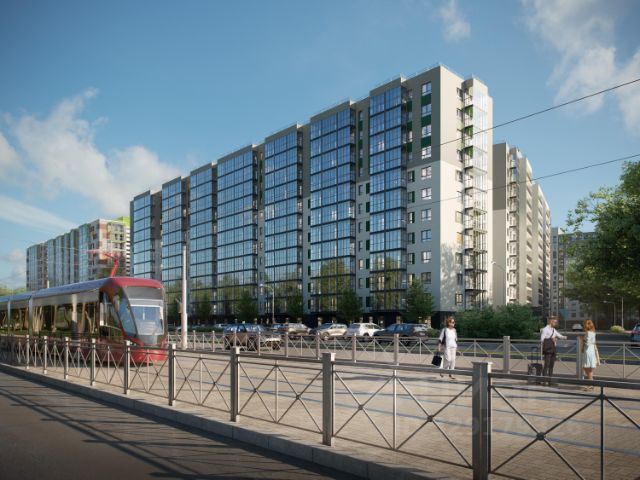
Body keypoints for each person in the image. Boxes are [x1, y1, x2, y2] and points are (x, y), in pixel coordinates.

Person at [540, 316, 567, 385]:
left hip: (553, 349)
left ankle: (550, 381)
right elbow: (542, 339)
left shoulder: (553, 329)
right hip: (547, 349)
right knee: (547, 365)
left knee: (552, 365)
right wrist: (551, 339)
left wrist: (564, 337)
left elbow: (559, 335)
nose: (555, 323)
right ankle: (544, 381)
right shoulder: (545, 329)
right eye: (555, 322)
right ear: (550, 321)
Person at [582, 319, 598, 390]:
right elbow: (593, 342)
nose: (583, 326)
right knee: (589, 369)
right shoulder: (593, 332)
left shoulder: (588, 333)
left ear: (586, 325)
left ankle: (591, 384)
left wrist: (582, 339)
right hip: (591, 351)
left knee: (587, 368)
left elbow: (587, 343)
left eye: (584, 324)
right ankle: (591, 383)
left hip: (588, 351)